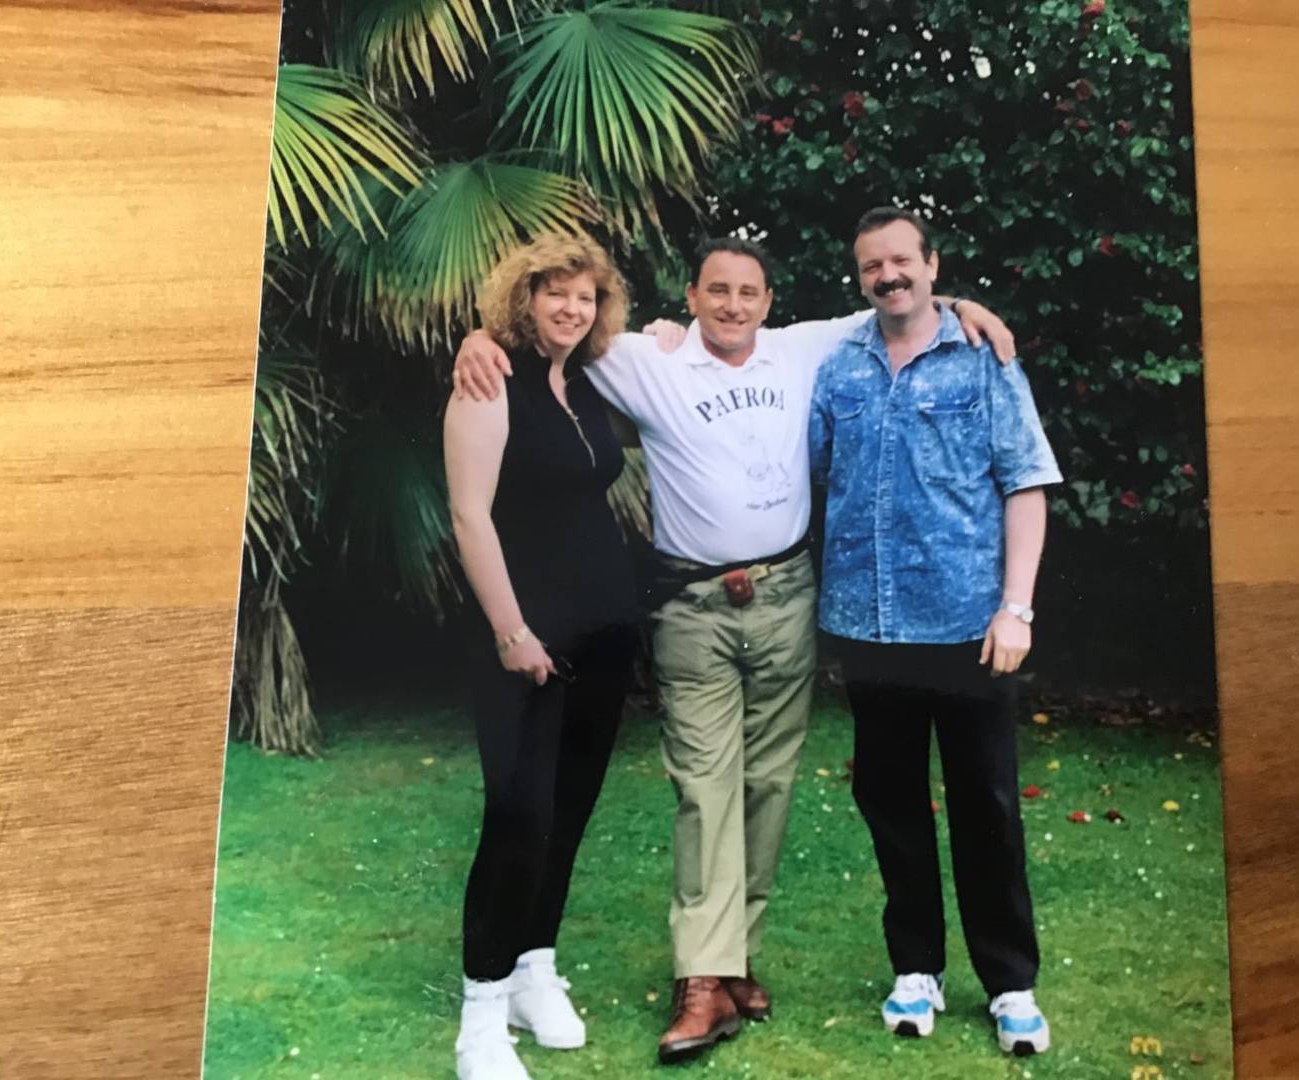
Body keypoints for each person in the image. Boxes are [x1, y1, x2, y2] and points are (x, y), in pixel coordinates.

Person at [454, 238, 1016, 1064]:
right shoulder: (642, 356)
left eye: (748, 291)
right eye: (716, 290)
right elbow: (537, 338)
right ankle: (700, 979)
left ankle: (735, 960)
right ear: (691, 295)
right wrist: (473, 338)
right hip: (694, 605)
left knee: (768, 784)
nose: (732, 304)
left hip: (788, 594)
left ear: (768, 298)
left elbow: (899, 304)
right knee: (703, 785)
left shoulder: (802, 348)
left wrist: (969, 306)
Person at [809, 208, 1063, 1056]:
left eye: (902, 261)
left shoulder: (984, 359)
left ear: (932, 265)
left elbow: (1025, 484)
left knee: (986, 806)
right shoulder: (836, 364)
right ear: (859, 278)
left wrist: (1016, 607)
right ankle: (915, 968)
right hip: (867, 626)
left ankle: (1010, 983)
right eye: (872, 264)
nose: (889, 276)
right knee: (891, 806)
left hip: (968, 627)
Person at [443, 234, 640, 1080]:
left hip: (605, 631)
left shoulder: (587, 382)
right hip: (525, 639)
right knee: (518, 812)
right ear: (520, 301)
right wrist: (511, 632)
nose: (571, 308)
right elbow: (470, 517)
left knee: (568, 811)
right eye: (554, 293)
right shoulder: (488, 380)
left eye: (586, 296)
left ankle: (533, 967)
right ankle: (481, 1012)